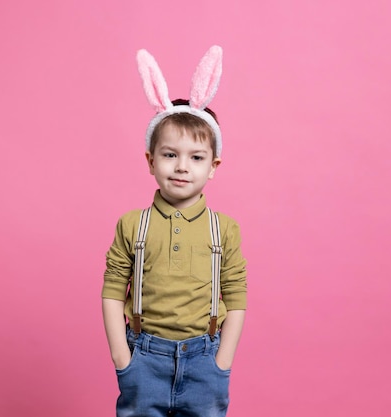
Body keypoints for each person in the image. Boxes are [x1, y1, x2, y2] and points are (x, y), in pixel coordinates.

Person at [101, 46, 247, 417]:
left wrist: (221, 363)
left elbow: (237, 295)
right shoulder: (133, 224)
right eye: (170, 154)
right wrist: (123, 359)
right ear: (151, 160)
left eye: (196, 157)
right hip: (144, 359)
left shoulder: (224, 229)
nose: (182, 167)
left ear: (212, 166)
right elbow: (113, 290)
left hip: (204, 361)